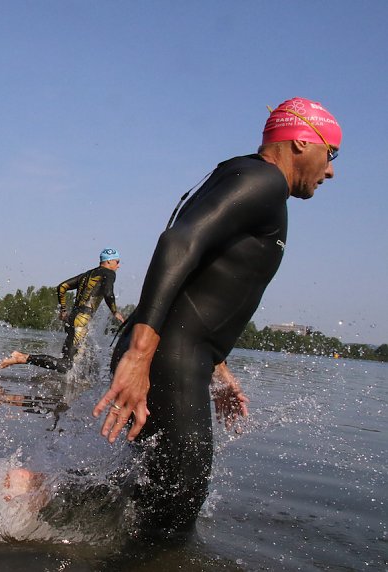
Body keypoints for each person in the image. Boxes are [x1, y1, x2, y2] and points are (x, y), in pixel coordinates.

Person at [92, 97, 341, 537]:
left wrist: (217, 368)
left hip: (175, 354)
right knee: (173, 518)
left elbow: (205, 281)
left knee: (149, 494)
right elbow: (179, 242)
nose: (331, 171)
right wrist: (140, 354)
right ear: (302, 142)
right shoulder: (265, 181)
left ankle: (33, 494)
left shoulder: (247, 178)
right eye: (331, 154)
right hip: (167, 355)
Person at [0, 249, 125, 373]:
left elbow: (62, 287)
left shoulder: (87, 274)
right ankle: (22, 358)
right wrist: (115, 311)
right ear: (109, 261)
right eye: (117, 262)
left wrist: (63, 310)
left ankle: (77, 382)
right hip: (81, 321)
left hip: (73, 318)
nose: (118, 265)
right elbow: (108, 293)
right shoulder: (109, 273)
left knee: (85, 355)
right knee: (65, 365)